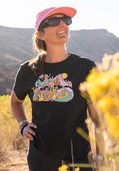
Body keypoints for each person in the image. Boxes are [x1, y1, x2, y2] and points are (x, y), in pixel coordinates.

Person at [10, 6, 104, 171]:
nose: (63, 25)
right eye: (54, 21)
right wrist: (23, 124)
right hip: (40, 159)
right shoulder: (28, 70)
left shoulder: (85, 67)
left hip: (79, 159)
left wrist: (101, 154)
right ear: (40, 34)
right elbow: (16, 101)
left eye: (66, 21)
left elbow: (97, 118)